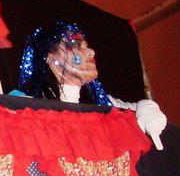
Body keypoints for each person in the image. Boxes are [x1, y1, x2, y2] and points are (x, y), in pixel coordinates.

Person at [15, 21, 167, 149]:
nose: (91, 52)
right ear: (50, 59)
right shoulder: (25, 106)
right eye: (76, 45)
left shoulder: (103, 103)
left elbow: (135, 109)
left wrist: (147, 107)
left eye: (86, 45)